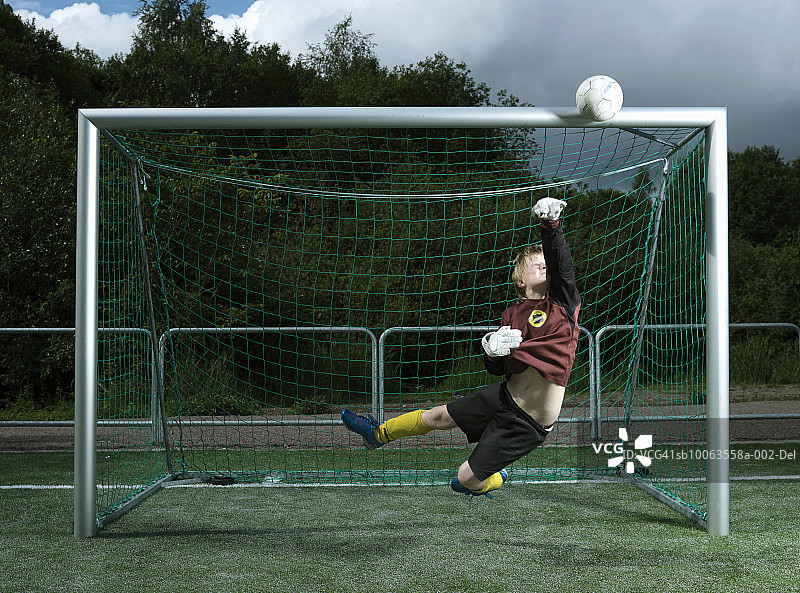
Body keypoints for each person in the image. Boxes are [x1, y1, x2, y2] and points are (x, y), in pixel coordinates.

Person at [341, 197, 581, 497]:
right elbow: (504, 368)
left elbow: (562, 263)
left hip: (528, 421)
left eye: (547, 263)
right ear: (520, 279)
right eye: (537, 264)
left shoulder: (562, 302)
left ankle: (498, 476)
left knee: (466, 479)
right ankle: (377, 434)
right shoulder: (511, 314)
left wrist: (551, 225)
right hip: (505, 396)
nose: (545, 265)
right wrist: (491, 352)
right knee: (436, 416)